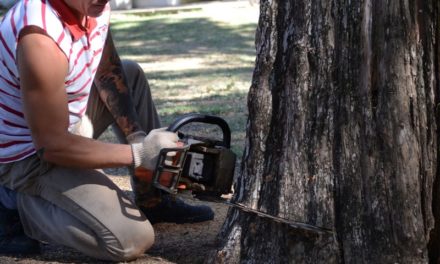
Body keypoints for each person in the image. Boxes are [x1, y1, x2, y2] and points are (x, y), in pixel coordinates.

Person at [0, 0, 214, 261]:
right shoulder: (39, 35)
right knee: (131, 238)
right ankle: (12, 202)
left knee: (130, 73)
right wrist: (140, 153)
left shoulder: (92, 6)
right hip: (23, 155)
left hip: (60, 125)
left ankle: (153, 199)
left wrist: (139, 146)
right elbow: (51, 145)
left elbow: (108, 72)